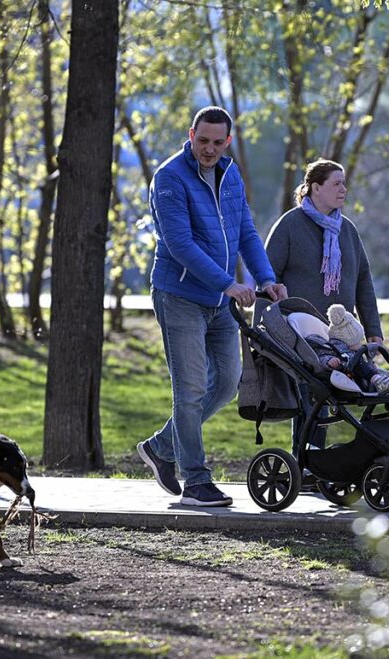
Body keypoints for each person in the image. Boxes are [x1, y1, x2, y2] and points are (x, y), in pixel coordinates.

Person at [137, 106, 286, 508]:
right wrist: (229, 284)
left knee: (227, 382)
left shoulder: (230, 173)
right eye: (202, 140)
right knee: (188, 390)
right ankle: (196, 482)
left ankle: (160, 447)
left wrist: (266, 278)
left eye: (217, 142)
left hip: (221, 300)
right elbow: (180, 245)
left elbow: (245, 232)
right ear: (191, 134)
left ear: (227, 141)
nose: (209, 149)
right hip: (180, 297)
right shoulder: (169, 179)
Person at [264, 159, 384, 465]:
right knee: (311, 396)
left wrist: (373, 330)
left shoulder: (348, 230)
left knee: (336, 395)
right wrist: (265, 332)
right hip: (300, 333)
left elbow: (363, 282)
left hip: (340, 333)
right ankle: (307, 464)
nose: (344, 189)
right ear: (315, 187)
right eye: (336, 183)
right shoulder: (290, 225)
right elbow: (266, 277)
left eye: (344, 183)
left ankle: (325, 463)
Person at [293, 304, 389, 394]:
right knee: (358, 363)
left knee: (374, 368)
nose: (359, 343)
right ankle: (383, 382)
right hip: (346, 376)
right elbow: (319, 358)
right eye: (357, 341)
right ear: (345, 340)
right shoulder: (331, 348)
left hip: (362, 375)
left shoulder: (349, 349)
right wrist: (329, 361)